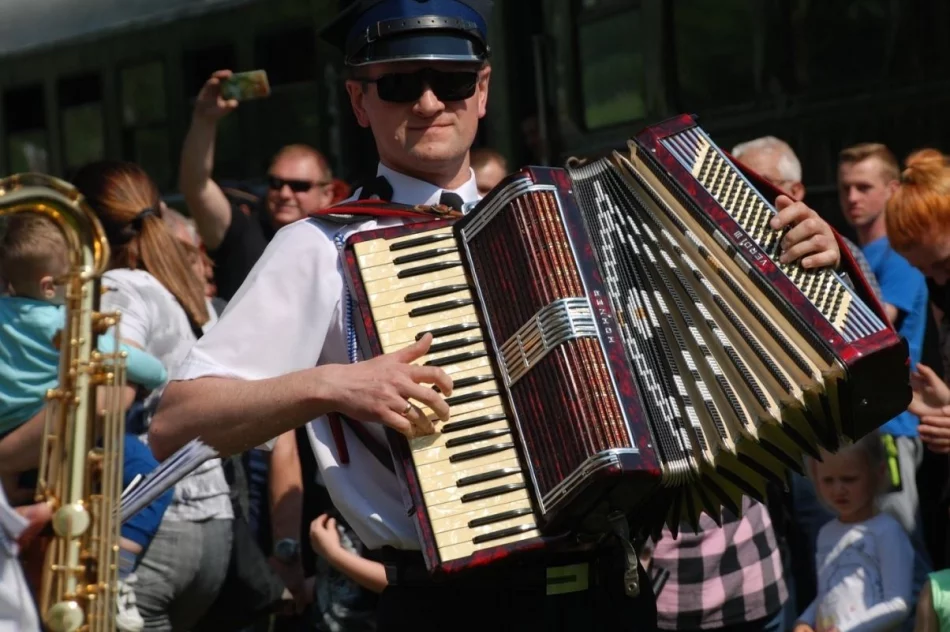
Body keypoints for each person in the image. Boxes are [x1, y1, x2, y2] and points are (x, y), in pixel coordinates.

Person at [151, 1, 844, 629]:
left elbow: (705, 322)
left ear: (481, 92)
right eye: (397, 84)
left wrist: (798, 254)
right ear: (360, 101)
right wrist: (332, 385)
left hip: (616, 592)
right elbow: (177, 419)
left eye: (451, 82)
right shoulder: (319, 247)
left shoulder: (565, 217)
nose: (428, 102)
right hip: (456, 606)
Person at [71, 160, 235, 631]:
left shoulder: (119, 288)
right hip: (212, 525)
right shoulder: (189, 292)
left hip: (152, 527)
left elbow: (109, 405)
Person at [0, 213, 175, 632]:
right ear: (48, 286)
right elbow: (142, 366)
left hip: (8, 437)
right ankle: (123, 566)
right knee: (150, 474)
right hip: (55, 434)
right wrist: (156, 380)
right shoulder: (63, 322)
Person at [793, 432, 914, 632]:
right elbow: (829, 592)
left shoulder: (887, 532)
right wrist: (805, 620)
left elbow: (899, 604)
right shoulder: (826, 533)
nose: (838, 489)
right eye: (828, 480)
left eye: (849, 479)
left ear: (879, 472)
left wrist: (846, 629)